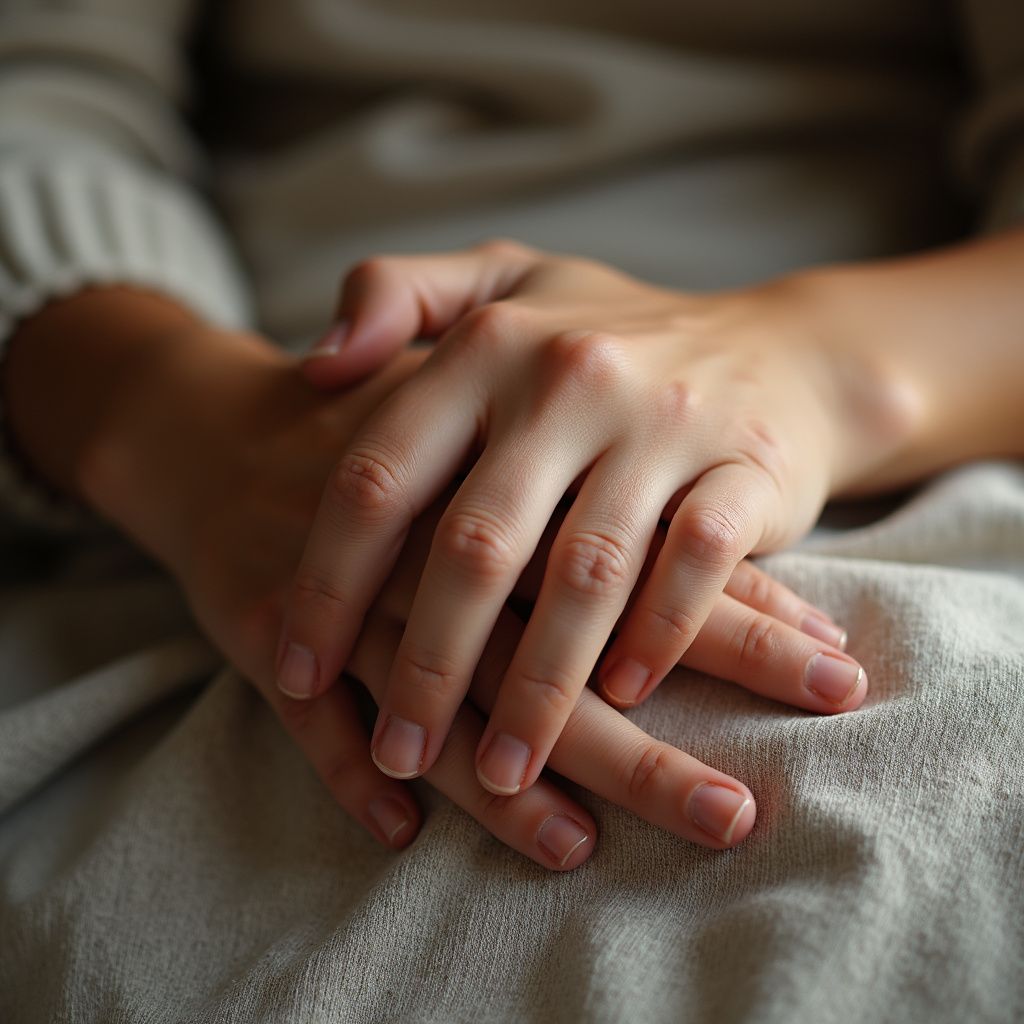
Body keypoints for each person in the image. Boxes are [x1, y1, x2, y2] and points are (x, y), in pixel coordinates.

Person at [1, 1, 1022, 1021]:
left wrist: (821, 371)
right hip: (206, 500)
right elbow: (38, 99)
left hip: (915, 441)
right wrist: (185, 427)